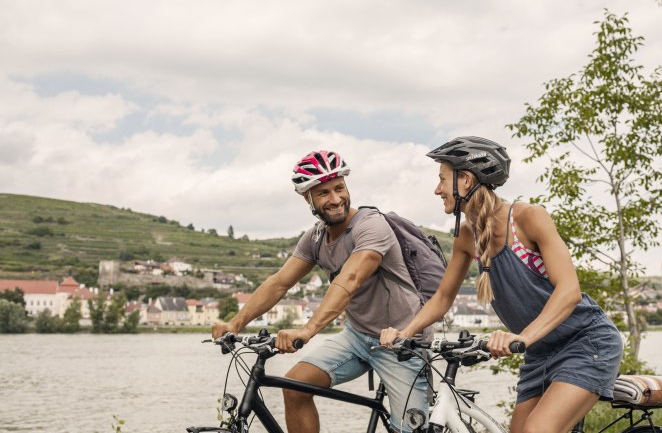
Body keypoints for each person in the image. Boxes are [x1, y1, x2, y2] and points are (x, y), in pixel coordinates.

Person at [380, 136, 623, 433]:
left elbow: (569, 291)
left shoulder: (528, 218)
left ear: (466, 180)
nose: (437, 189)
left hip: (586, 342)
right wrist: (404, 333)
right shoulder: (467, 237)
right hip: (540, 352)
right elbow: (443, 298)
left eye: (442, 180)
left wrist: (520, 338)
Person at [211, 150, 429, 433]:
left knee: (412, 430)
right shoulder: (315, 237)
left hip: (401, 341)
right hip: (357, 337)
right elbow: (280, 282)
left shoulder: (371, 226)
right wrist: (235, 323)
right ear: (308, 198)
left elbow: (349, 279)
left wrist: (308, 330)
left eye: (339, 188)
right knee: (295, 387)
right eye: (324, 193)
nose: (336, 198)